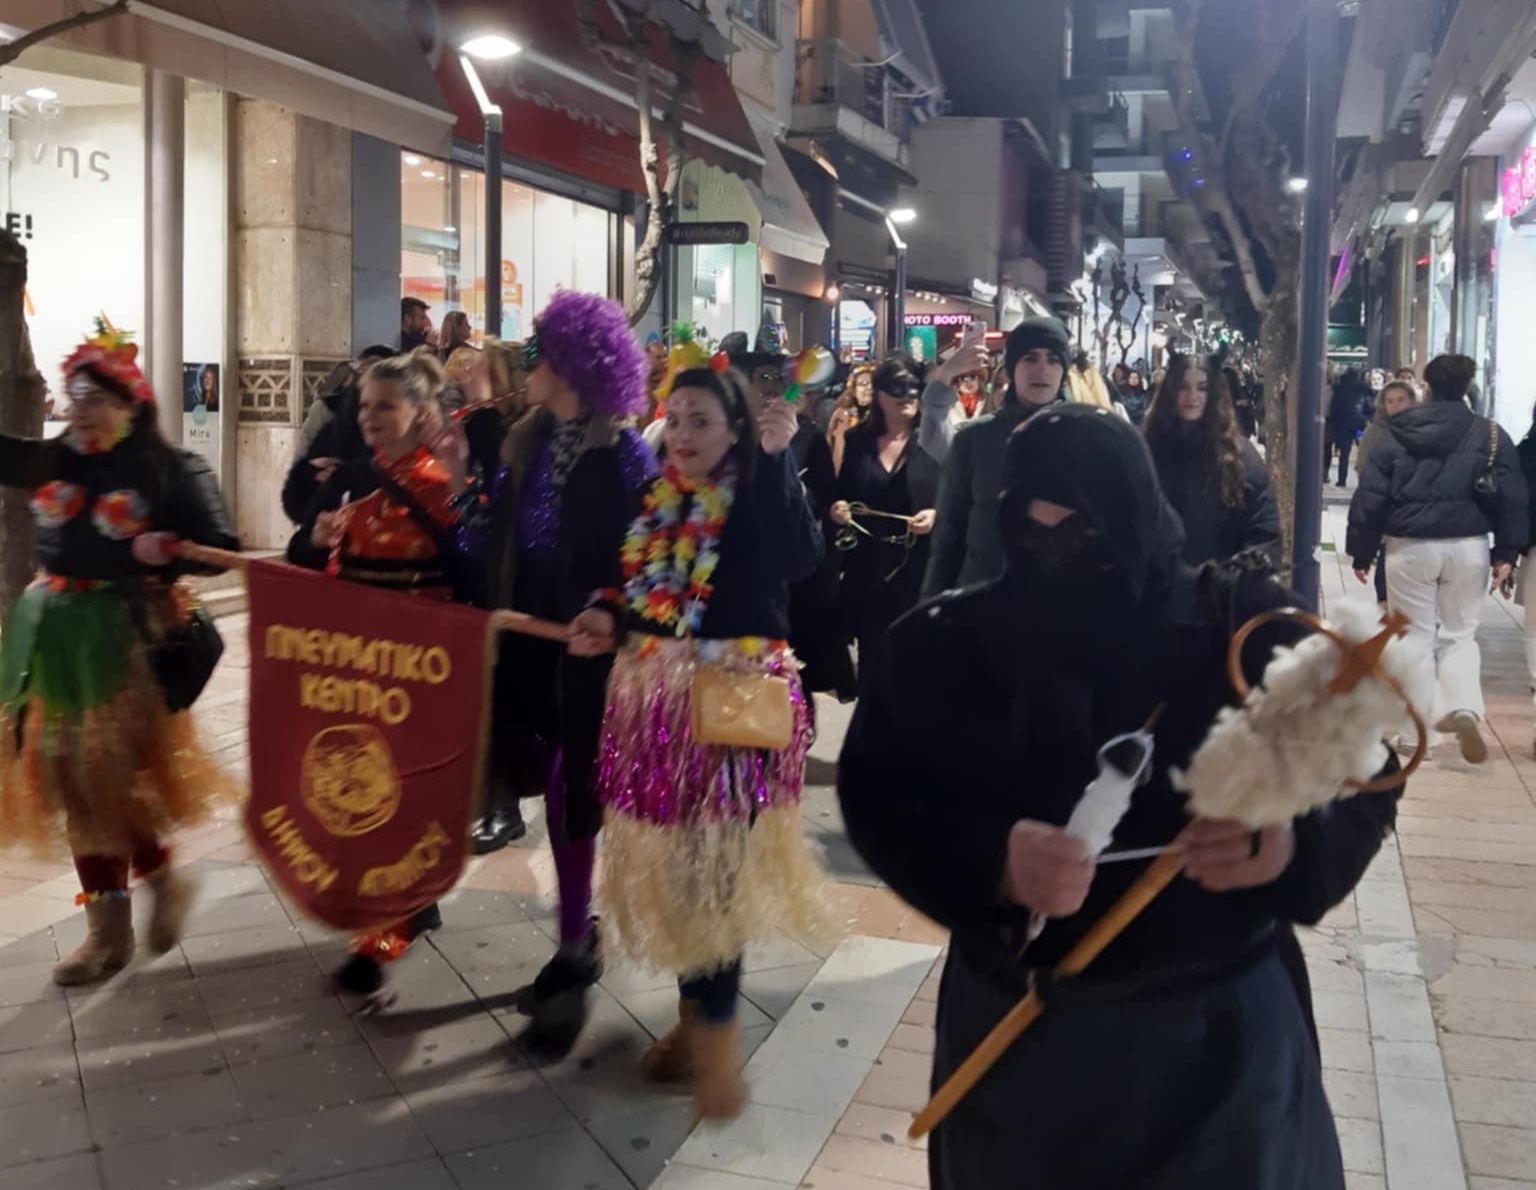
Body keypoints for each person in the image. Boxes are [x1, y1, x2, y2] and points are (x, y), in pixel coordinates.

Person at [838, 405, 1400, 1190]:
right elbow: (879, 795)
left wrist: (1289, 846)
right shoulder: (947, 646)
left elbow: (1366, 772)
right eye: (1033, 531)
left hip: (1215, 1049)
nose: (1056, 556)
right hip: (1021, 1051)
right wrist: (991, 862)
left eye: (1085, 534)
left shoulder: (1240, 628)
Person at [570, 364, 827, 1120]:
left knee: (716, 875)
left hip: (734, 714)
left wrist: (777, 462)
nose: (682, 435)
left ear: (736, 430)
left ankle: (714, 1046)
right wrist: (605, 617)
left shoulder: (757, 489)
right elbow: (631, 589)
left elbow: (800, 558)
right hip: (659, 716)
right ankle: (695, 1020)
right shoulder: (656, 499)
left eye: (701, 421)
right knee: (684, 876)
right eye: (675, 419)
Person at [0, 323, 238, 986]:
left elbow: (220, 544)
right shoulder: (59, 459)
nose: (79, 409)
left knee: (111, 784)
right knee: (73, 786)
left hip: (128, 644)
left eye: (95, 398)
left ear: (130, 404)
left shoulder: (169, 469)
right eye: (73, 396)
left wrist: (167, 548)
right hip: (57, 644)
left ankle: (160, 881)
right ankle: (107, 931)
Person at [480, 290, 657, 1053]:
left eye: (539, 353)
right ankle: (577, 928)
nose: (527, 365)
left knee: (570, 790)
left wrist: (612, 612)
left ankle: (574, 946)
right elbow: (496, 540)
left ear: (574, 365)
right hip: (529, 638)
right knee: (546, 778)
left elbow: (648, 555)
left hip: (591, 648)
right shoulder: (521, 444)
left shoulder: (624, 453)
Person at [289, 350, 478, 993]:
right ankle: (399, 907)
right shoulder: (349, 477)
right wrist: (315, 539)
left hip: (423, 667)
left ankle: (387, 929)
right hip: (354, 665)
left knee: (403, 794)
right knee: (361, 789)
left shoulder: (444, 484)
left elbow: (474, 567)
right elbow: (298, 550)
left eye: (385, 406)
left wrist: (462, 490)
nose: (369, 417)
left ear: (420, 412)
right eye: (365, 405)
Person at [1348, 353, 1529, 765]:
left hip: (1409, 546)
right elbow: (1513, 497)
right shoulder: (1490, 433)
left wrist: (1362, 550)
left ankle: (1416, 735)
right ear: (1467, 387)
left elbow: (1371, 494)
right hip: (1469, 545)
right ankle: (1464, 706)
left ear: (1426, 387)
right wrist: (1506, 552)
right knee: (1459, 635)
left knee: (1414, 638)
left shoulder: (1397, 431)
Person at [922, 316, 1069, 598]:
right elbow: (948, 538)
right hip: (981, 602)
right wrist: (931, 607)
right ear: (1012, 367)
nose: (1042, 369)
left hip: (1060, 607)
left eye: (1053, 359)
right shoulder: (974, 439)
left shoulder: (1088, 437)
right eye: (1030, 358)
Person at [829, 357, 940, 670]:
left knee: (917, 664)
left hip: (919, 566)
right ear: (879, 394)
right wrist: (838, 508)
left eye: (914, 387)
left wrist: (936, 514)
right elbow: (843, 492)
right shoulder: (856, 440)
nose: (907, 396)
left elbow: (957, 498)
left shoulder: (936, 440)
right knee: (873, 664)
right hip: (869, 569)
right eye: (896, 388)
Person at [1142, 355, 1280, 567]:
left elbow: (1264, 528)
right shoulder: (1146, 449)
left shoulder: (1240, 455)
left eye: (1202, 388)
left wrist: (1235, 575)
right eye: (1183, 387)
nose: (1192, 396)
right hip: (1159, 582)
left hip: (1219, 581)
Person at [1356, 379, 1421, 603]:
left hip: (1417, 519)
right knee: (1386, 584)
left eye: (1401, 400)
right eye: (1390, 401)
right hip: (1388, 515)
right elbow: (1364, 468)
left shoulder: (1424, 429)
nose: (1395, 406)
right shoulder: (1376, 432)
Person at [1326, 368, 1373, 487]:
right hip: (1358, 425)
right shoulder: (1363, 389)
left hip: (1341, 424)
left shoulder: (1339, 388)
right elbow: (1368, 407)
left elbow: (1333, 407)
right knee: (1360, 450)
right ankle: (1361, 478)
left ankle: (1339, 478)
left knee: (1342, 452)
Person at [828, 363, 876, 474]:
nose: (869, 388)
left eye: (873, 384)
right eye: (863, 384)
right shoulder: (840, 414)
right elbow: (829, 443)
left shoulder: (884, 415)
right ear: (853, 390)